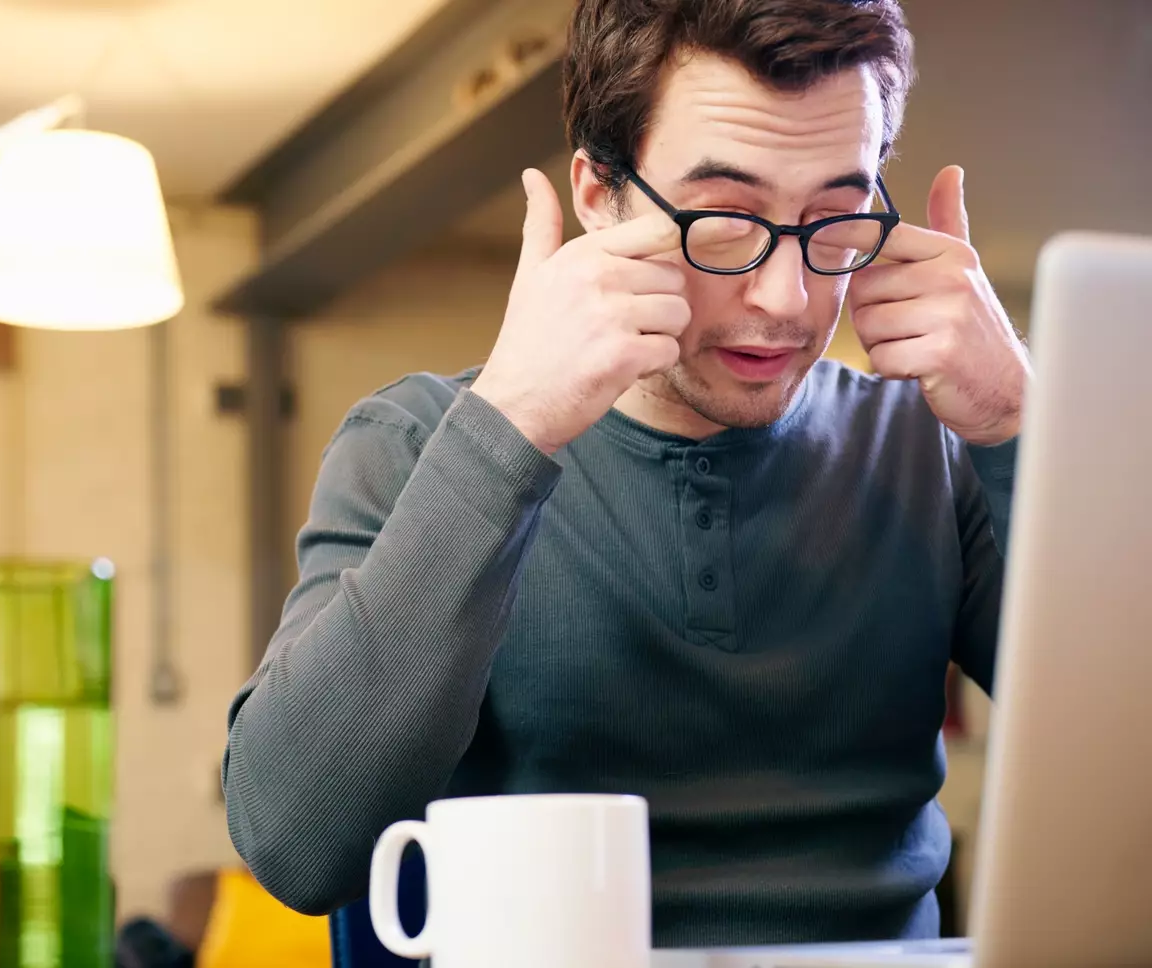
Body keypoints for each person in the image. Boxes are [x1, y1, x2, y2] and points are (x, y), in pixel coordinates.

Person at [222, 0, 1030, 947]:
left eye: (834, 217)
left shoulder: (933, 439)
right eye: (724, 220)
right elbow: (292, 844)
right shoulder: (412, 443)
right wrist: (512, 429)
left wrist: (1023, 429)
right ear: (599, 197)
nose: (787, 298)